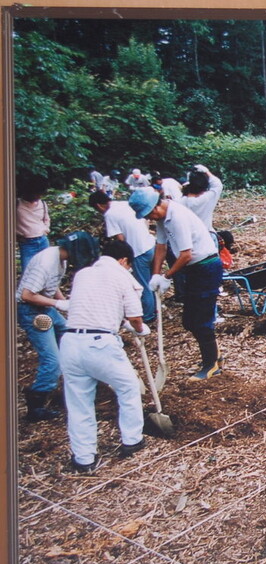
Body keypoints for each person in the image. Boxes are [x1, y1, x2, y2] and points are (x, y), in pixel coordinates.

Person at [60, 239, 149, 474]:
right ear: (123, 261)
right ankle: (132, 440)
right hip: (99, 343)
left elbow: (93, 305)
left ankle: (84, 458)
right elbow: (136, 318)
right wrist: (140, 330)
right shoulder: (122, 276)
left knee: (78, 403)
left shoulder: (82, 274)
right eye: (129, 265)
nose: (129, 269)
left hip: (69, 343)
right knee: (128, 387)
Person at [129, 187, 223, 381]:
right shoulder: (163, 218)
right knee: (189, 320)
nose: (151, 219)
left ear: (156, 207)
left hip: (206, 267)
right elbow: (161, 247)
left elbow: (186, 254)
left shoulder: (177, 216)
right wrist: (155, 276)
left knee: (200, 320)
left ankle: (212, 364)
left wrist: (167, 277)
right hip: (194, 269)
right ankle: (214, 355)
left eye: (150, 215)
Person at [16, 231, 99, 422]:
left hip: (45, 307)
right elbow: (27, 295)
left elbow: (51, 285)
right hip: (32, 311)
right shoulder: (45, 262)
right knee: (52, 360)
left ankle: (79, 379)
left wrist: (64, 302)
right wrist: (58, 304)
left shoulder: (59, 258)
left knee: (70, 335)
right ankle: (36, 404)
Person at [88, 190, 157, 323]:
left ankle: (149, 316)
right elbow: (144, 220)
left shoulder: (109, 214)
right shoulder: (125, 204)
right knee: (151, 280)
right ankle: (155, 308)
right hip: (149, 244)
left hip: (137, 251)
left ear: (99, 206)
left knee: (144, 284)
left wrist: (124, 258)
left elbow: (120, 239)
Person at [15, 174, 51, 273]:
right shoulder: (16, 204)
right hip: (27, 244)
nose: (38, 196)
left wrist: (46, 229)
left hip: (43, 240)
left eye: (40, 194)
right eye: (36, 193)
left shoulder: (43, 204)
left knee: (46, 270)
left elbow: (46, 219)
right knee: (27, 273)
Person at [177, 164, 223, 234]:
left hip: (186, 236)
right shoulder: (207, 199)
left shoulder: (179, 202)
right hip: (206, 235)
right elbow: (217, 185)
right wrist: (206, 172)